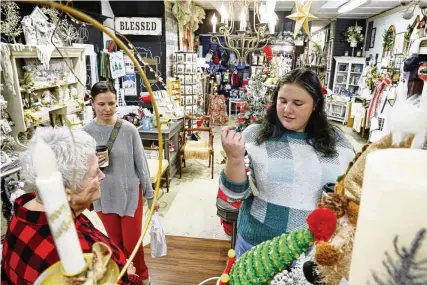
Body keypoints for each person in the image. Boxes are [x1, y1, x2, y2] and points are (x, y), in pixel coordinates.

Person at [220, 68, 355, 258]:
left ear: (315, 104)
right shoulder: (255, 136)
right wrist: (234, 158)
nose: (287, 109)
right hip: (258, 246)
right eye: (282, 101)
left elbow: (349, 195)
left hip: (313, 251)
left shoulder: (340, 144)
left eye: (298, 103)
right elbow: (233, 195)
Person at [1, 127, 142, 284]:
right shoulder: (76, 254)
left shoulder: (23, 213)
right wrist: (129, 277)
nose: (102, 176)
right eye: (95, 173)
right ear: (66, 191)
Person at [83, 81, 157, 285]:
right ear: (92, 104)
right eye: (101, 104)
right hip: (104, 196)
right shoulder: (85, 132)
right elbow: (80, 170)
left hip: (130, 194)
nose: (107, 109)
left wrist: (151, 196)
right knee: (114, 244)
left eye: (111, 103)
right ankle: (124, 277)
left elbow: (141, 165)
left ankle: (141, 276)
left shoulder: (128, 130)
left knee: (133, 243)